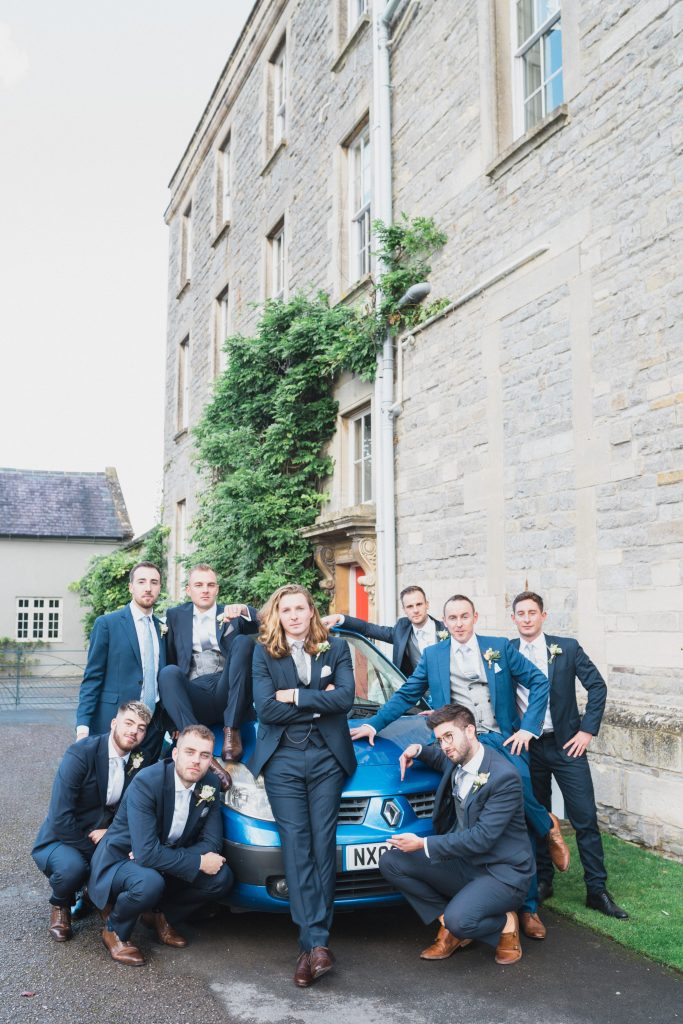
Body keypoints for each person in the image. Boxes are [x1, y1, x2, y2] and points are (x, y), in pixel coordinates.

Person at [350, 593, 570, 938]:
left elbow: (539, 681)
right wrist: (375, 724)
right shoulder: (434, 655)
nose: (459, 623)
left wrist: (528, 727)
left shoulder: (499, 647)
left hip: (502, 739)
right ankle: (482, 887)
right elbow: (407, 693)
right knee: (464, 813)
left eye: (464, 616)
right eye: (452, 618)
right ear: (445, 622)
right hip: (461, 742)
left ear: (475, 616)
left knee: (518, 811)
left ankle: (528, 905)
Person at [250, 584, 356, 988]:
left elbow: (345, 698)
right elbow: (266, 708)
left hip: (329, 758)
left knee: (322, 843)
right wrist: (317, 702)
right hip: (283, 761)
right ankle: (317, 943)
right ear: (277, 615)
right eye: (287, 609)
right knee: (296, 844)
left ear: (312, 612)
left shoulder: (336, 648)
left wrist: (295, 695)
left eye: (301, 608)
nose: (294, 615)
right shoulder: (263, 652)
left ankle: (310, 945)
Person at [379, 704, 534, 965]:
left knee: (460, 920)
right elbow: (438, 758)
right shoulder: (457, 758)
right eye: (440, 740)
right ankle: (448, 924)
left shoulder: (504, 778)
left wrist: (423, 844)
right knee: (391, 861)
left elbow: (482, 838)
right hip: (466, 864)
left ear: (470, 731)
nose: (445, 746)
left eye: (449, 736)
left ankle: (503, 925)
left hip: (502, 874)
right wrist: (417, 750)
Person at [511, 590, 628, 919]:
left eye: (533, 612)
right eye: (521, 613)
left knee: (585, 818)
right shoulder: (505, 652)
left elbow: (598, 686)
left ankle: (597, 890)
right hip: (528, 747)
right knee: (537, 817)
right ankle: (544, 881)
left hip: (566, 744)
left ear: (543, 616)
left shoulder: (567, 647)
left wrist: (587, 731)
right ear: (514, 619)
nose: (527, 618)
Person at [88, 724, 233, 966]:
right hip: (121, 860)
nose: (196, 760)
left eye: (204, 755)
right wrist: (194, 861)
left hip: (155, 858)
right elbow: (145, 854)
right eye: (190, 752)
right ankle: (115, 929)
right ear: (175, 754)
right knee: (149, 881)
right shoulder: (148, 782)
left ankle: (160, 916)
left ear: (210, 760)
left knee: (221, 877)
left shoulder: (209, 784)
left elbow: (211, 843)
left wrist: (161, 856)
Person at [32, 701, 151, 942]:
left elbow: (137, 808)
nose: (133, 731)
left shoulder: (141, 759)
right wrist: (98, 853)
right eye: (128, 723)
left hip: (106, 834)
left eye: (141, 728)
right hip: (63, 836)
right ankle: (61, 904)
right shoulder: (81, 753)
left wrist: (112, 833)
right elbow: (59, 815)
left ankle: (95, 897)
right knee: (73, 868)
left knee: (135, 866)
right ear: (114, 723)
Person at [158, 563, 258, 768]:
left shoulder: (233, 614)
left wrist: (245, 610)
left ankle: (232, 730)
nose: (205, 590)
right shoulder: (174, 616)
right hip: (195, 692)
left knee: (243, 641)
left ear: (217, 589)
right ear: (189, 589)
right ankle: (194, 742)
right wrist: (172, 721)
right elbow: (169, 658)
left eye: (210, 585)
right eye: (199, 585)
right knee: (168, 672)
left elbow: (265, 622)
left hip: (227, 691)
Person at [75, 562, 167, 762]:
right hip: (114, 723)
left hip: (152, 729)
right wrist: (83, 727)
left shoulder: (163, 629)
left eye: (154, 582)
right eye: (141, 581)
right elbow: (92, 678)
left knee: (142, 789)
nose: (148, 587)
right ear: (131, 587)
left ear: (160, 587)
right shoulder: (107, 624)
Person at [322, 585, 446, 675]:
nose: (415, 610)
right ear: (404, 610)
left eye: (419, 604)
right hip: (419, 701)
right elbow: (368, 628)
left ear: (427, 604)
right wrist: (339, 618)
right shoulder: (401, 630)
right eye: (410, 606)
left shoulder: (447, 630)